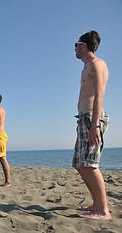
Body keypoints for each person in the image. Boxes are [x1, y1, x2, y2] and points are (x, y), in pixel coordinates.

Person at [73, 31, 111, 219]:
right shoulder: (87, 66)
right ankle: (96, 203)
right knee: (80, 164)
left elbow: (99, 95)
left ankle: (103, 210)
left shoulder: (96, 64)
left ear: (83, 45)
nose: (74, 49)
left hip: (92, 119)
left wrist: (95, 125)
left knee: (90, 164)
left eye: (76, 45)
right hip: (85, 118)